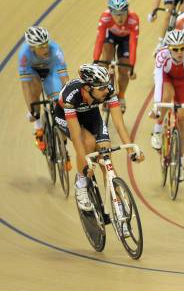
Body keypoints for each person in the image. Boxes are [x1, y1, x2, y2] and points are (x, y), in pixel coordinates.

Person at [54, 64, 144, 233]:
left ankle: (119, 210)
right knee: (87, 142)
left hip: (91, 115)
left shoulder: (108, 90)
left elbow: (119, 124)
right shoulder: (71, 96)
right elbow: (76, 137)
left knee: (106, 155)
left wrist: (131, 150)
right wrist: (86, 163)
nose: (106, 90)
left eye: (107, 85)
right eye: (101, 87)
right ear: (88, 88)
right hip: (66, 116)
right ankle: (81, 184)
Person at [150, 30, 184, 183]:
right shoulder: (161, 56)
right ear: (169, 48)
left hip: (183, 81)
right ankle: (158, 131)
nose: (180, 52)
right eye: (175, 49)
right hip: (166, 79)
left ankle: (179, 161)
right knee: (166, 95)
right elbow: (158, 83)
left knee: (183, 119)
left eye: (182, 48)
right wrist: (156, 105)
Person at [19, 26, 69, 155]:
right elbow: (25, 86)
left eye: (46, 44)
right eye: (41, 47)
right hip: (33, 72)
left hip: (51, 71)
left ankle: (64, 147)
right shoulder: (24, 55)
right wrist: (31, 108)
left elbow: (64, 78)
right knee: (35, 88)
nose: (45, 48)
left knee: (59, 101)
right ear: (32, 48)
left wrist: (68, 98)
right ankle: (38, 127)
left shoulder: (56, 50)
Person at [93, 0, 139, 112]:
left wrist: (131, 67)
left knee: (124, 70)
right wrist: (95, 61)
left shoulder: (133, 19)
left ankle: (122, 96)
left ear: (127, 12)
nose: (119, 17)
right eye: (116, 14)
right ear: (110, 13)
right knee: (106, 57)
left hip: (126, 39)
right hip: (111, 36)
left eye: (122, 13)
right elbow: (99, 40)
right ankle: (103, 88)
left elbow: (133, 44)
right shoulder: (105, 18)